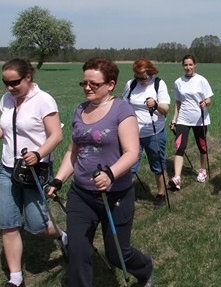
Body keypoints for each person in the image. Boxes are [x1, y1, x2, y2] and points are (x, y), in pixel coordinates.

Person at [46, 58, 153, 287]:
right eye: (84, 83)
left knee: (116, 254)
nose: (87, 88)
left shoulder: (122, 110)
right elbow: (73, 152)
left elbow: (132, 152)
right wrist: (58, 179)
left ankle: (145, 268)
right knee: (77, 251)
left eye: (94, 84)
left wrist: (110, 174)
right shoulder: (80, 110)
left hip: (116, 194)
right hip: (81, 193)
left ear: (110, 84)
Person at [0, 58, 63, 287]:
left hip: (34, 169)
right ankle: (15, 278)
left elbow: (56, 135)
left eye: (14, 82)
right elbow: (5, 128)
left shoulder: (43, 101)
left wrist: (39, 154)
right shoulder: (7, 100)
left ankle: (64, 236)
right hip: (7, 169)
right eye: (6, 83)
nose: (10, 87)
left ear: (28, 77)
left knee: (37, 227)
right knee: (8, 224)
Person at [122, 59, 171, 208]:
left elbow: (165, 110)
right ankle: (124, 197)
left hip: (154, 132)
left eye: (143, 77)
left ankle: (161, 194)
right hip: (132, 134)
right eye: (138, 77)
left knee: (157, 165)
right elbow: (124, 105)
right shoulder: (131, 84)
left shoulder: (158, 84)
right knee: (129, 167)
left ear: (150, 72)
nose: (141, 80)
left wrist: (155, 105)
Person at [168, 54, 214, 190]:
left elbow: (209, 99)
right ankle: (177, 177)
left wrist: (205, 102)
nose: (188, 67)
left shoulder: (202, 80)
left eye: (190, 65)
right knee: (179, 147)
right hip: (183, 119)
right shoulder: (178, 82)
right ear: (183, 66)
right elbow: (177, 103)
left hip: (200, 119)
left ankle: (203, 170)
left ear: (195, 65)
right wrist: (174, 120)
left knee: (202, 147)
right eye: (185, 65)